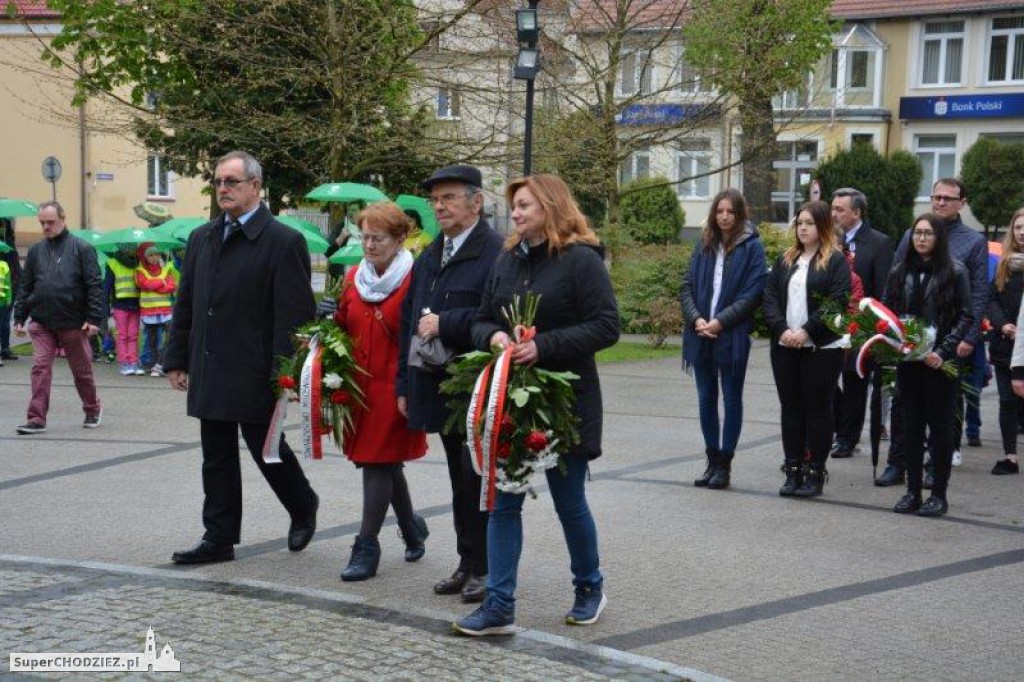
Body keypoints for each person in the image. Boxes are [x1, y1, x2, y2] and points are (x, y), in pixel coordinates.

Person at [453, 174, 620, 636]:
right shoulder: (506, 260)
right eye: (515, 206)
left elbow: (607, 326)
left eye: (525, 205)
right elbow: (480, 319)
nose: (517, 213)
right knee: (503, 504)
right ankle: (500, 605)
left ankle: (590, 587)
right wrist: (495, 336)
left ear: (550, 206)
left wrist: (544, 346)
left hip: (565, 402)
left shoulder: (581, 260)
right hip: (511, 402)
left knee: (570, 503)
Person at [163, 150, 319, 565]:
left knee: (266, 450)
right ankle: (218, 537)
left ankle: (303, 506)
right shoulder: (202, 238)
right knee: (215, 457)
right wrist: (177, 357)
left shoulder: (284, 241)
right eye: (217, 182)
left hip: (256, 369)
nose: (223, 189)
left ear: (255, 186)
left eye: (231, 181)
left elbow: (294, 317)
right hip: (211, 363)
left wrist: (284, 374)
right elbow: (187, 304)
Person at [396, 164, 503, 604]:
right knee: (460, 482)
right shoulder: (431, 254)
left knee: (478, 479)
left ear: (476, 202)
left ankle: (485, 567)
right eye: (434, 200)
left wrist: (448, 323)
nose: (439, 207)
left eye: (449, 198)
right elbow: (410, 320)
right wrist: (404, 384)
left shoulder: (496, 252)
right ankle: (467, 561)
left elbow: (497, 319)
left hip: (478, 388)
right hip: (438, 386)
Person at [332, 202, 428, 581]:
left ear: (400, 238)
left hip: (396, 388)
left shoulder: (415, 279)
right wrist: (329, 317)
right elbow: (343, 326)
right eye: (365, 237)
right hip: (359, 388)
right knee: (384, 463)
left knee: (377, 463)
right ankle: (411, 526)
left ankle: (366, 546)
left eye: (378, 238)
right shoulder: (354, 277)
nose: (369, 245)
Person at [877, 178, 987, 487]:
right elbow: (896, 285)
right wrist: (894, 336)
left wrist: (967, 338)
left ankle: (934, 468)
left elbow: (977, 296)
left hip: (948, 343)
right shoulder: (910, 235)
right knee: (903, 406)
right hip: (910, 345)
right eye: (936, 197)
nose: (940, 202)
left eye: (948, 198)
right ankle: (898, 462)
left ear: (961, 203)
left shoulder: (972, 242)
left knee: (946, 409)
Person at [885, 214, 972, 517]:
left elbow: (966, 315)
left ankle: (938, 494)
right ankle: (912, 491)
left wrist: (945, 350)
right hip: (909, 361)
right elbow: (889, 313)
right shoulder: (899, 271)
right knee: (910, 426)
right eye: (917, 233)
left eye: (928, 233)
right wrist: (893, 341)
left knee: (940, 427)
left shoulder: (955, 272)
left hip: (940, 363)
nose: (921, 238)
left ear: (939, 238)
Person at [762, 201, 851, 498]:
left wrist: (806, 331)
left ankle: (815, 473)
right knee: (791, 408)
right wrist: (782, 330)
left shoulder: (835, 261)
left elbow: (836, 301)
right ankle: (793, 469)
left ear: (823, 226)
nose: (802, 228)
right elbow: (770, 297)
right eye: (799, 223)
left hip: (821, 348)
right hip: (785, 345)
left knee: (818, 409)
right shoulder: (786, 259)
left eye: (809, 223)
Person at [680, 189, 766, 489]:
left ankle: (725, 465)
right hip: (700, 333)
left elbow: (753, 292)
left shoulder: (752, 246)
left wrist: (720, 322)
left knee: (731, 399)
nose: (725, 217)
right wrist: (697, 319)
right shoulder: (704, 243)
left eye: (730, 211)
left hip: (731, 335)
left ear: (740, 213)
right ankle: (711, 460)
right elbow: (687, 285)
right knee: (706, 399)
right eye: (720, 211)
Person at [11, 201, 103, 434]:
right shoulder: (35, 251)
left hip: (73, 322)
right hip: (42, 322)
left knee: (81, 371)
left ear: (63, 218)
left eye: (50, 222)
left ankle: (92, 408)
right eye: (42, 223)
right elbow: (26, 285)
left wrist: (94, 319)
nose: (45, 227)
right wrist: (20, 315)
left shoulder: (82, 248)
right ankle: (36, 418)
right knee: (40, 368)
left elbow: (94, 285)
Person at [829, 188, 893, 459]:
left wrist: (870, 326)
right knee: (826, 381)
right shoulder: (829, 239)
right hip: (828, 323)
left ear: (856, 213)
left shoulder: (878, 242)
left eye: (839, 210)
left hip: (862, 327)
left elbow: (882, 289)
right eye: (832, 208)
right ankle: (841, 425)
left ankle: (847, 438)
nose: (833, 214)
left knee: (855, 382)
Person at [986, 207, 1024, 475]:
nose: (1022, 232)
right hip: (1005, 344)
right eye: (1019, 227)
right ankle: (1010, 456)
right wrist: (1003, 324)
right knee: (1008, 402)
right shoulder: (1004, 263)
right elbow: (992, 299)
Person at [135, 244, 176, 376]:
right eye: (151, 255)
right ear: (145, 257)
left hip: (165, 310)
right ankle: (153, 365)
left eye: (156, 254)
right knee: (152, 341)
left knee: (170, 337)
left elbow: (172, 286)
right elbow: (144, 284)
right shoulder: (140, 270)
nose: (154, 257)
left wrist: (157, 285)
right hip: (149, 311)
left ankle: (160, 364)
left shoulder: (165, 269)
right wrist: (162, 283)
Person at [105, 246, 143, 375]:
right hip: (120, 305)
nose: (131, 249)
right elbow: (107, 286)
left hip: (135, 304)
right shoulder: (113, 263)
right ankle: (124, 363)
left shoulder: (139, 262)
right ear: (122, 248)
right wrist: (105, 307)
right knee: (122, 336)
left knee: (133, 335)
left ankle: (133, 362)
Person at [0, 218, 21, 363]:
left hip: (8, 287)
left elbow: (15, 266)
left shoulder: (9, 243)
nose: (3, 227)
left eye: (4, 225)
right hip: (7, 286)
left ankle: (5, 348)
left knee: (5, 319)